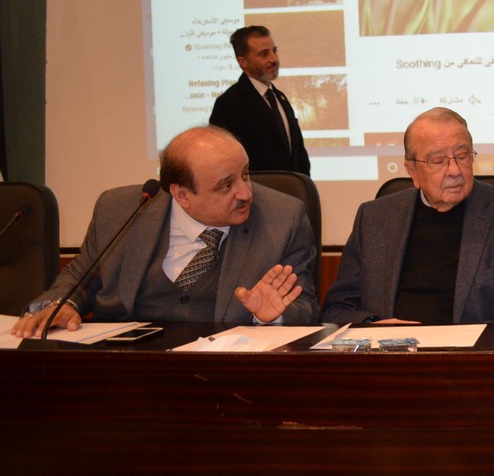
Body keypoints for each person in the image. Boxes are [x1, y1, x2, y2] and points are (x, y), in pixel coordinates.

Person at [10, 126, 317, 338]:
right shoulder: (120, 210)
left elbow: (306, 307)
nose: (246, 193)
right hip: (128, 369)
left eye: (245, 174)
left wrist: (272, 315)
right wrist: (61, 305)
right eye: (226, 185)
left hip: (227, 371)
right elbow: (81, 278)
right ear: (182, 195)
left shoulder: (283, 218)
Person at [321, 107, 494, 325]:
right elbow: (337, 309)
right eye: (438, 160)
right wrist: (372, 327)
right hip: (393, 352)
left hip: (474, 352)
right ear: (412, 170)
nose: (454, 170)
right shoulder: (374, 218)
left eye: (462, 156)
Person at [210, 25, 311, 175]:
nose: (274, 59)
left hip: (293, 187)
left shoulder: (280, 97)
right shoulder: (229, 104)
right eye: (264, 54)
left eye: (274, 51)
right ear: (243, 62)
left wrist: (303, 184)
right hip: (257, 189)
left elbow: (298, 153)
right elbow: (227, 162)